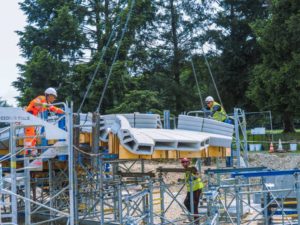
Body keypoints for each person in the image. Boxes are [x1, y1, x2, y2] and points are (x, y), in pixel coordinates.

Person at [24, 87, 64, 156]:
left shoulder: (47, 103)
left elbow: (55, 109)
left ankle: (32, 151)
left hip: (33, 118)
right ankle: (28, 151)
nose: (54, 99)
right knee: (30, 134)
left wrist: (64, 112)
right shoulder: (41, 98)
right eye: (53, 97)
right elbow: (35, 103)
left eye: (54, 97)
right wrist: (44, 105)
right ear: (48, 95)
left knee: (33, 134)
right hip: (28, 117)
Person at [180, 158, 204, 224]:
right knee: (186, 202)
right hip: (190, 189)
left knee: (194, 205)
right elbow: (187, 179)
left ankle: (196, 221)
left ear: (189, 162)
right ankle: (194, 216)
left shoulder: (192, 168)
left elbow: (198, 175)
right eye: (182, 162)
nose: (184, 163)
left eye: (186, 162)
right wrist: (182, 180)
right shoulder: (186, 170)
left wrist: (195, 177)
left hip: (196, 188)